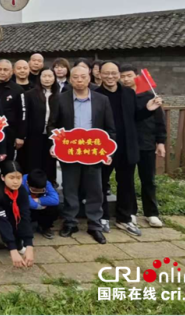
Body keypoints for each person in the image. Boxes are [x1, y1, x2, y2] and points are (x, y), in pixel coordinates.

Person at [48, 65, 116, 244]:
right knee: (70, 188)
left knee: (95, 189)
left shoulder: (102, 100)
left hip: (93, 152)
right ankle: (70, 222)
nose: (79, 80)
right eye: (75, 77)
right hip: (70, 152)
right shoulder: (60, 99)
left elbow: (110, 129)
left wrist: (108, 151)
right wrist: (55, 143)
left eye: (83, 77)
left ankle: (95, 224)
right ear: (70, 79)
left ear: (89, 78)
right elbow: (52, 125)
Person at [95, 61, 163, 237]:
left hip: (126, 145)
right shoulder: (95, 94)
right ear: (99, 75)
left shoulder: (128, 93)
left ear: (118, 74)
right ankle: (102, 217)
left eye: (114, 73)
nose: (110, 76)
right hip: (103, 147)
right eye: (106, 73)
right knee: (101, 182)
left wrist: (148, 109)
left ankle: (124, 218)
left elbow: (135, 116)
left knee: (126, 183)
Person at [120, 65, 167, 228]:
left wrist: (161, 142)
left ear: (136, 76)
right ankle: (130, 211)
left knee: (148, 179)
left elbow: (160, 121)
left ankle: (151, 213)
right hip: (127, 144)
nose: (126, 79)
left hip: (146, 143)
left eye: (129, 75)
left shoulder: (149, 96)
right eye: (122, 76)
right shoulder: (121, 96)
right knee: (127, 180)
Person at [21, 69, 59, 180]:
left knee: (49, 163)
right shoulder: (30, 94)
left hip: (51, 135)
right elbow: (25, 116)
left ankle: (49, 184)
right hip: (34, 134)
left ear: (54, 78)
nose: (47, 79)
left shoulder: (59, 95)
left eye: (50, 76)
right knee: (33, 162)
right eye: (44, 76)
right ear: (39, 78)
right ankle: (32, 184)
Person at [0, 60, 26, 162]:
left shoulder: (18, 90)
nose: (2, 72)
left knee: (7, 165)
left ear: (11, 72)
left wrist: (20, 136)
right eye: (0, 69)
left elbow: (22, 114)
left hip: (9, 133)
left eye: (5, 70)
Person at [24, 169, 60, 240]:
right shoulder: (21, 182)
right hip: (27, 209)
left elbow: (55, 199)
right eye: (34, 190)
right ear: (27, 183)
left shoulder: (46, 183)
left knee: (54, 207)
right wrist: (38, 206)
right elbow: (24, 200)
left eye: (40, 190)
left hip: (40, 205)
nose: (37, 193)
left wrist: (37, 200)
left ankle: (45, 227)